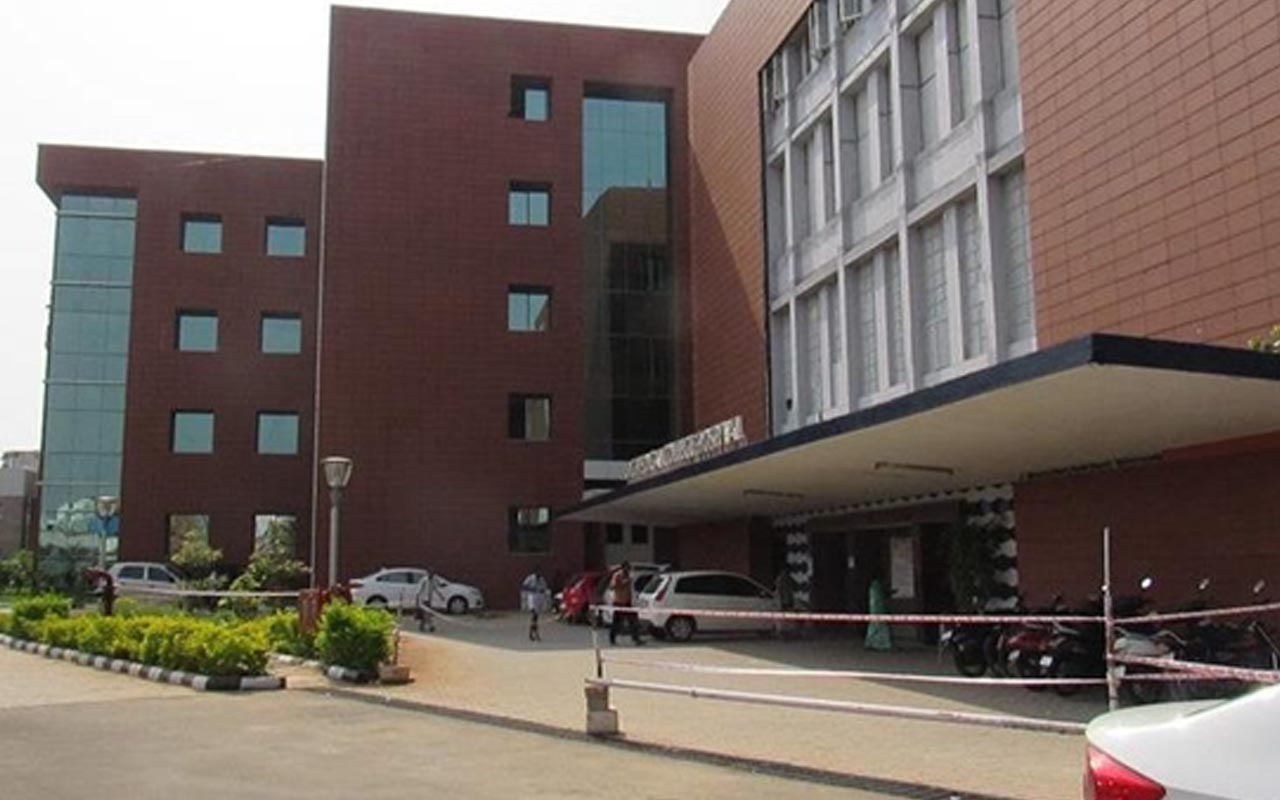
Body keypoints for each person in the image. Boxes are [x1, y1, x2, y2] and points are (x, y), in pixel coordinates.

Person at [608, 561, 643, 646]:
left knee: (633, 621)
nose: (628, 570)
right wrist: (626, 581)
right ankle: (612, 638)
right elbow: (612, 586)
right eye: (627, 568)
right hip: (619, 602)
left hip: (627, 602)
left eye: (629, 568)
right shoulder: (617, 575)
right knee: (616, 622)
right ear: (623, 568)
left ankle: (636, 639)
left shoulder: (629, 575)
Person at [865, 577, 892, 651]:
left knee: (873, 627)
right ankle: (880, 644)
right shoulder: (877, 587)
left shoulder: (873, 588)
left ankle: (871, 643)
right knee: (879, 628)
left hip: (875, 610)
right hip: (878, 610)